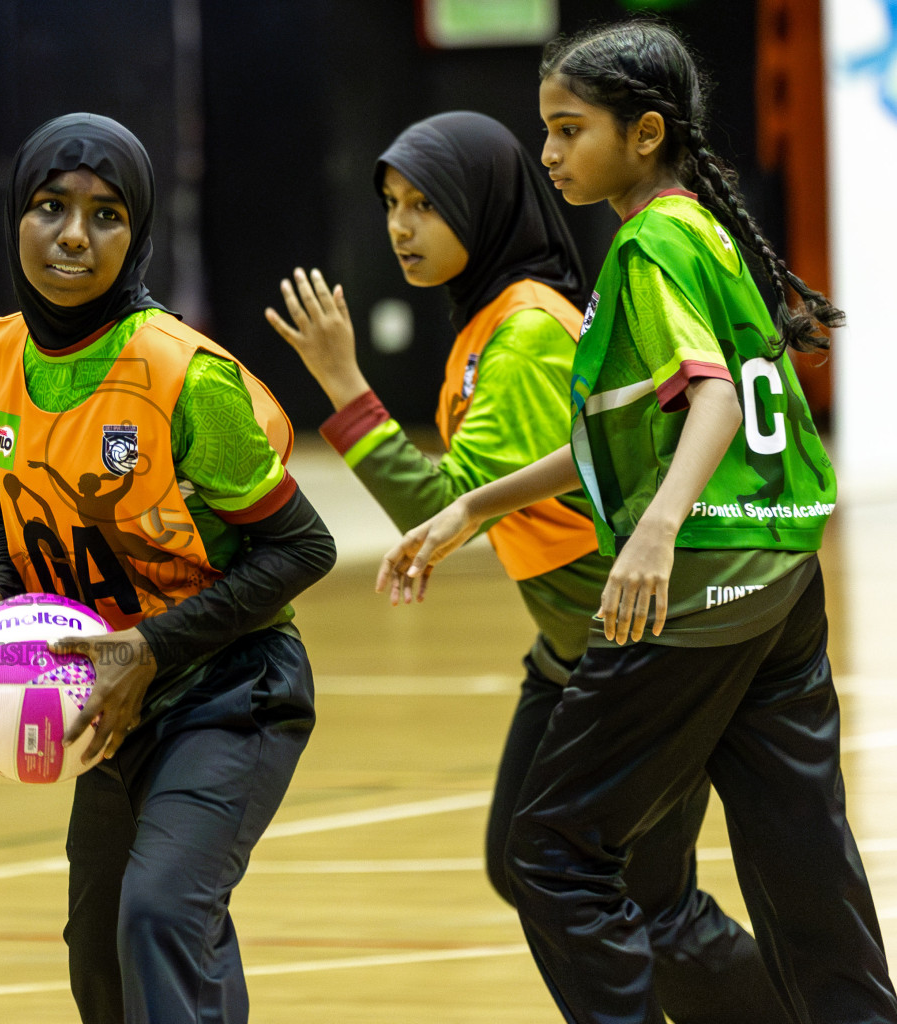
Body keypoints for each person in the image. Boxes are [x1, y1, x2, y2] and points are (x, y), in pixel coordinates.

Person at [379, 22, 897, 1024]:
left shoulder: (646, 246)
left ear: (646, 131)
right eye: (545, 131)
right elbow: (627, 430)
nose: (549, 153)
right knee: (800, 857)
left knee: (550, 852)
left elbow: (706, 399)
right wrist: (471, 507)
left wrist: (655, 530)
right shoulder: (699, 225)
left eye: (569, 130)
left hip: (701, 585)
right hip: (782, 568)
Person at [263, 109, 788, 1023]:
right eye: (390, 202)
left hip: (642, 649)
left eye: (425, 203)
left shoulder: (526, 336)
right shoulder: (491, 325)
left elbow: (444, 510)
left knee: (637, 899)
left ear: (483, 203)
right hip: (572, 650)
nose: (399, 226)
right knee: (532, 865)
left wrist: (346, 390)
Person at [0, 113, 335, 1024]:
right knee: (104, 966)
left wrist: (148, 649)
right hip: (111, 705)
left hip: (231, 692)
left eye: (105, 214)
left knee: (158, 915)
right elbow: (11, 515)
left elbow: (303, 548)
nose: (74, 235)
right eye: (50, 207)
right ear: (16, 216)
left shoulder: (183, 376)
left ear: (139, 230)